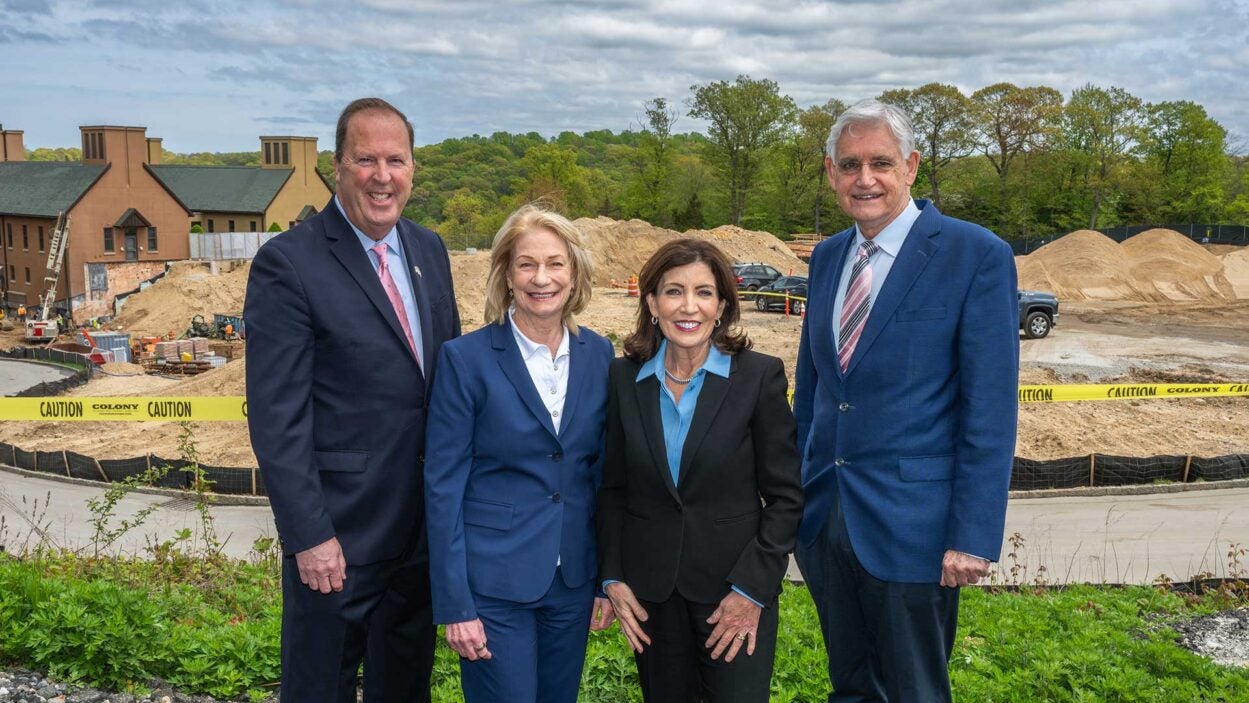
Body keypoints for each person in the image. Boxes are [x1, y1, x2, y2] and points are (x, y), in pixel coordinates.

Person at [793, 99, 1019, 702]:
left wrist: (972, 532)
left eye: (880, 163)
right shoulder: (826, 258)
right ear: (830, 173)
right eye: (849, 166)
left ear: (912, 166)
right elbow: (813, 391)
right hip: (827, 520)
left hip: (913, 529)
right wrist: (794, 497)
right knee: (850, 686)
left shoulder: (975, 256)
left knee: (913, 689)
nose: (864, 179)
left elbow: (989, 410)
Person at [244, 97, 461, 703]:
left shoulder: (430, 251)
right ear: (336, 166)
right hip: (339, 539)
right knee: (321, 687)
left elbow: (446, 387)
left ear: (414, 168)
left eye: (397, 160)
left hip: (419, 534)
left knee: (405, 686)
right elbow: (276, 418)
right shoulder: (288, 264)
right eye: (366, 159)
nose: (382, 176)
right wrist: (308, 534)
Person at [597, 238, 804, 703]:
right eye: (674, 291)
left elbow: (786, 497)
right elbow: (611, 488)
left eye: (704, 292)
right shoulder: (623, 380)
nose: (688, 306)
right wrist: (611, 576)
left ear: (722, 305)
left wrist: (752, 589)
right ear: (652, 302)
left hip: (733, 590)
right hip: (652, 593)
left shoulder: (758, 377)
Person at [424, 204, 616, 703]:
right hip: (493, 585)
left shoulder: (599, 355)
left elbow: (600, 476)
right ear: (506, 275)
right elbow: (442, 487)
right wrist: (454, 605)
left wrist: (603, 579)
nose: (541, 278)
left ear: (574, 275)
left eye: (555, 263)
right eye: (526, 264)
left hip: (571, 581)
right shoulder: (465, 359)